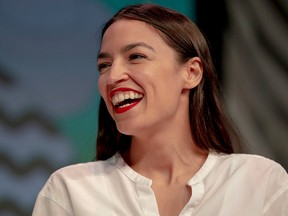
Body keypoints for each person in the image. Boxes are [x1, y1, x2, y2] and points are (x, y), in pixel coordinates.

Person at [32, 4, 288, 216]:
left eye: (136, 57)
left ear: (191, 72)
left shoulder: (259, 182)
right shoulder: (70, 191)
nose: (112, 77)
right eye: (104, 65)